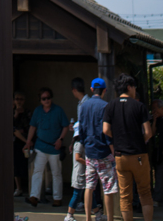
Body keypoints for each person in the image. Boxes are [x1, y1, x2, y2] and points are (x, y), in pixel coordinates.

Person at [102, 73, 153, 221]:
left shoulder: (110, 106)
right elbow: (148, 132)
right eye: (134, 87)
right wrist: (139, 140)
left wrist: (119, 139)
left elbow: (105, 130)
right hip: (139, 155)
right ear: (129, 87)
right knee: (144, 192)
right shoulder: (139, 106)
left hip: (120, 156)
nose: (135, 90)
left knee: (125, 196)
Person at [79, 78, 117, 221]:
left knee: (89, 186)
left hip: (89, 151)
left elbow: (81, 129)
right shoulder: (106, 106)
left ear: (91, 89)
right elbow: (107, 131)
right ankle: (110, 218)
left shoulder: (84, 106)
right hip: (104, 151)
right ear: (104, 90)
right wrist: (112, 149)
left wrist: (84, 143)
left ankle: (88, 218)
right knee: (108, 188)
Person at [25, 87, 70, 207]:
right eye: (43, 98)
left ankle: (57, 198)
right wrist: (28, 141)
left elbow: (66, 126)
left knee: (56, 173)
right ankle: (34, 196)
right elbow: (32, 126)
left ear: (51, 98)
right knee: (37, 171)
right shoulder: (37, 111)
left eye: (48, 98)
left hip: (54, 148)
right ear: (40, 100)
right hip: (40, 146)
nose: (46, 100)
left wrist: (60, 139)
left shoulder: (58, 110)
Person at [13, 91, 31, 197]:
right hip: (15, 142)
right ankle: (18, 187)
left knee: (27, 164)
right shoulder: (11, 112)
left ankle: (30, 187)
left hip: (27, 142)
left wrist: (27, 140)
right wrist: (16, 114)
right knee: (16, 165)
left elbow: (30, 126)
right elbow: (12, 127)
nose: (19, 101)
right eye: (17, 99)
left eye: (21, 99)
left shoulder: (27, 113)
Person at [65, 140, 86, 221]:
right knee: (77, 194)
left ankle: (97, 213)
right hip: (79, 173)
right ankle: (69, 215)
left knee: (91, 194)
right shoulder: (79, 144)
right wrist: (90, 163)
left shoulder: (83, 142)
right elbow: (77, 157)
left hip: (85, 172)